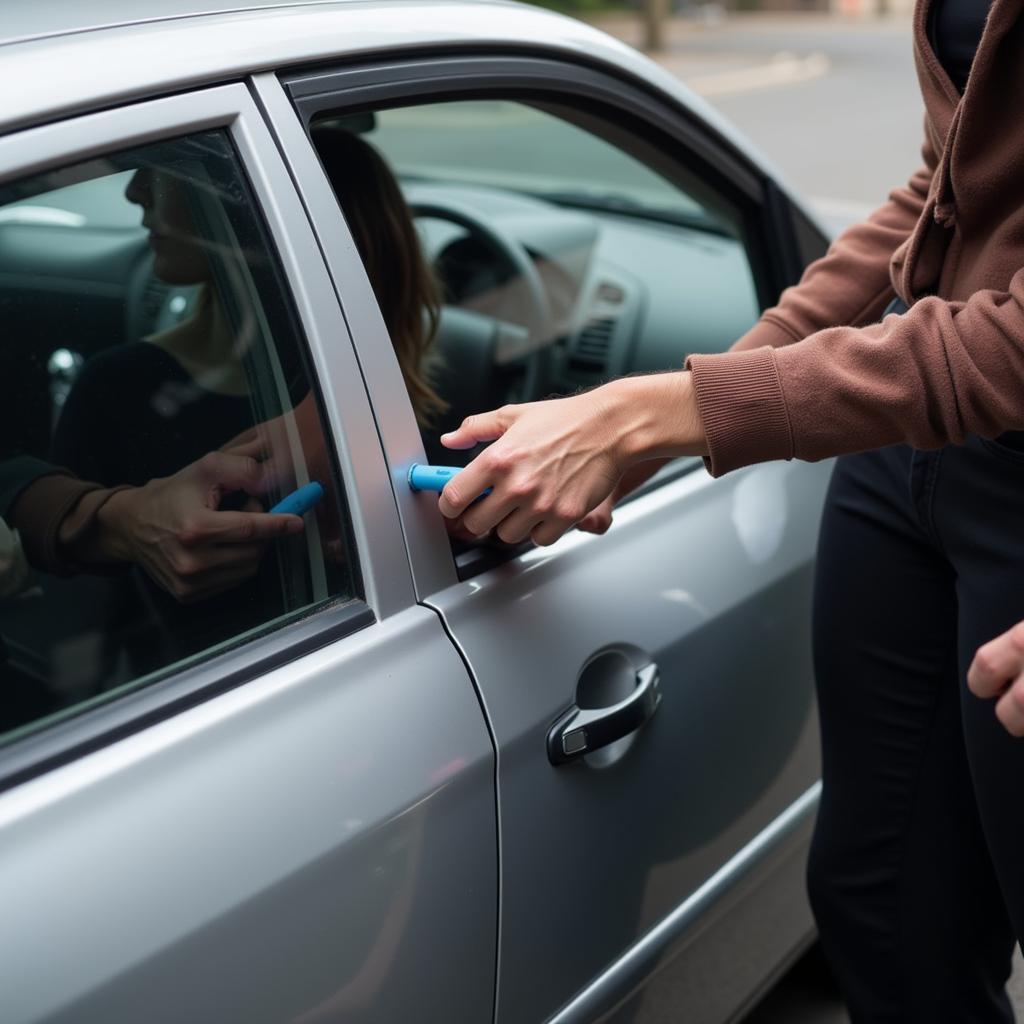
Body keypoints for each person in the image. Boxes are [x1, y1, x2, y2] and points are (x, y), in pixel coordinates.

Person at [437, 0, 1024, 1018]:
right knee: (880, 902)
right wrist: (688, 404)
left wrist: (678, 411)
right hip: (907, 455)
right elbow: (944, 187)